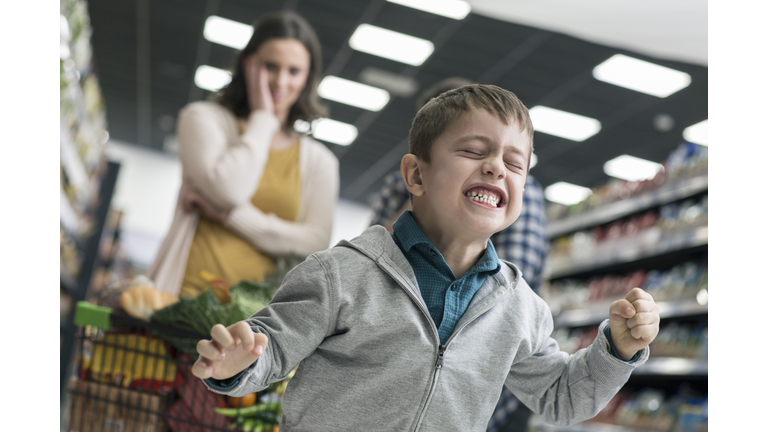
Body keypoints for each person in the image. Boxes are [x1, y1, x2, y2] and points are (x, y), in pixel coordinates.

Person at [190, 84, 660, 432]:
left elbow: (561, 397)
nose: (497, 166)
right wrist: (237, 362)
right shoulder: (342, 274)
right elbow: (272, 345)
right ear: (416, 174)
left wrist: (616, 351)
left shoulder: (520, 309)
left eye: (515, 163)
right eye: (474, 151)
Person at [371, 79, 547, 432]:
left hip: (494, 389)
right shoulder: (398, 185)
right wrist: (429, 194)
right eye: (467, 150)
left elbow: (505, 289)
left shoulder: (517, 195)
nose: (494, 166)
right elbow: (375, 256)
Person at [148, 11, 339, 297]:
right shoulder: (203, 119)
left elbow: (316, 241)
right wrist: (263, 117)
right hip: (184, 298)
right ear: (248, 63)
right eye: (270, 67)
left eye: (294, 71)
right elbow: (229, 191)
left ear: (307, 79)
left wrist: (227, 216)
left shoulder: (320, 161)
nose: (280, 82)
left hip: (259, 323)